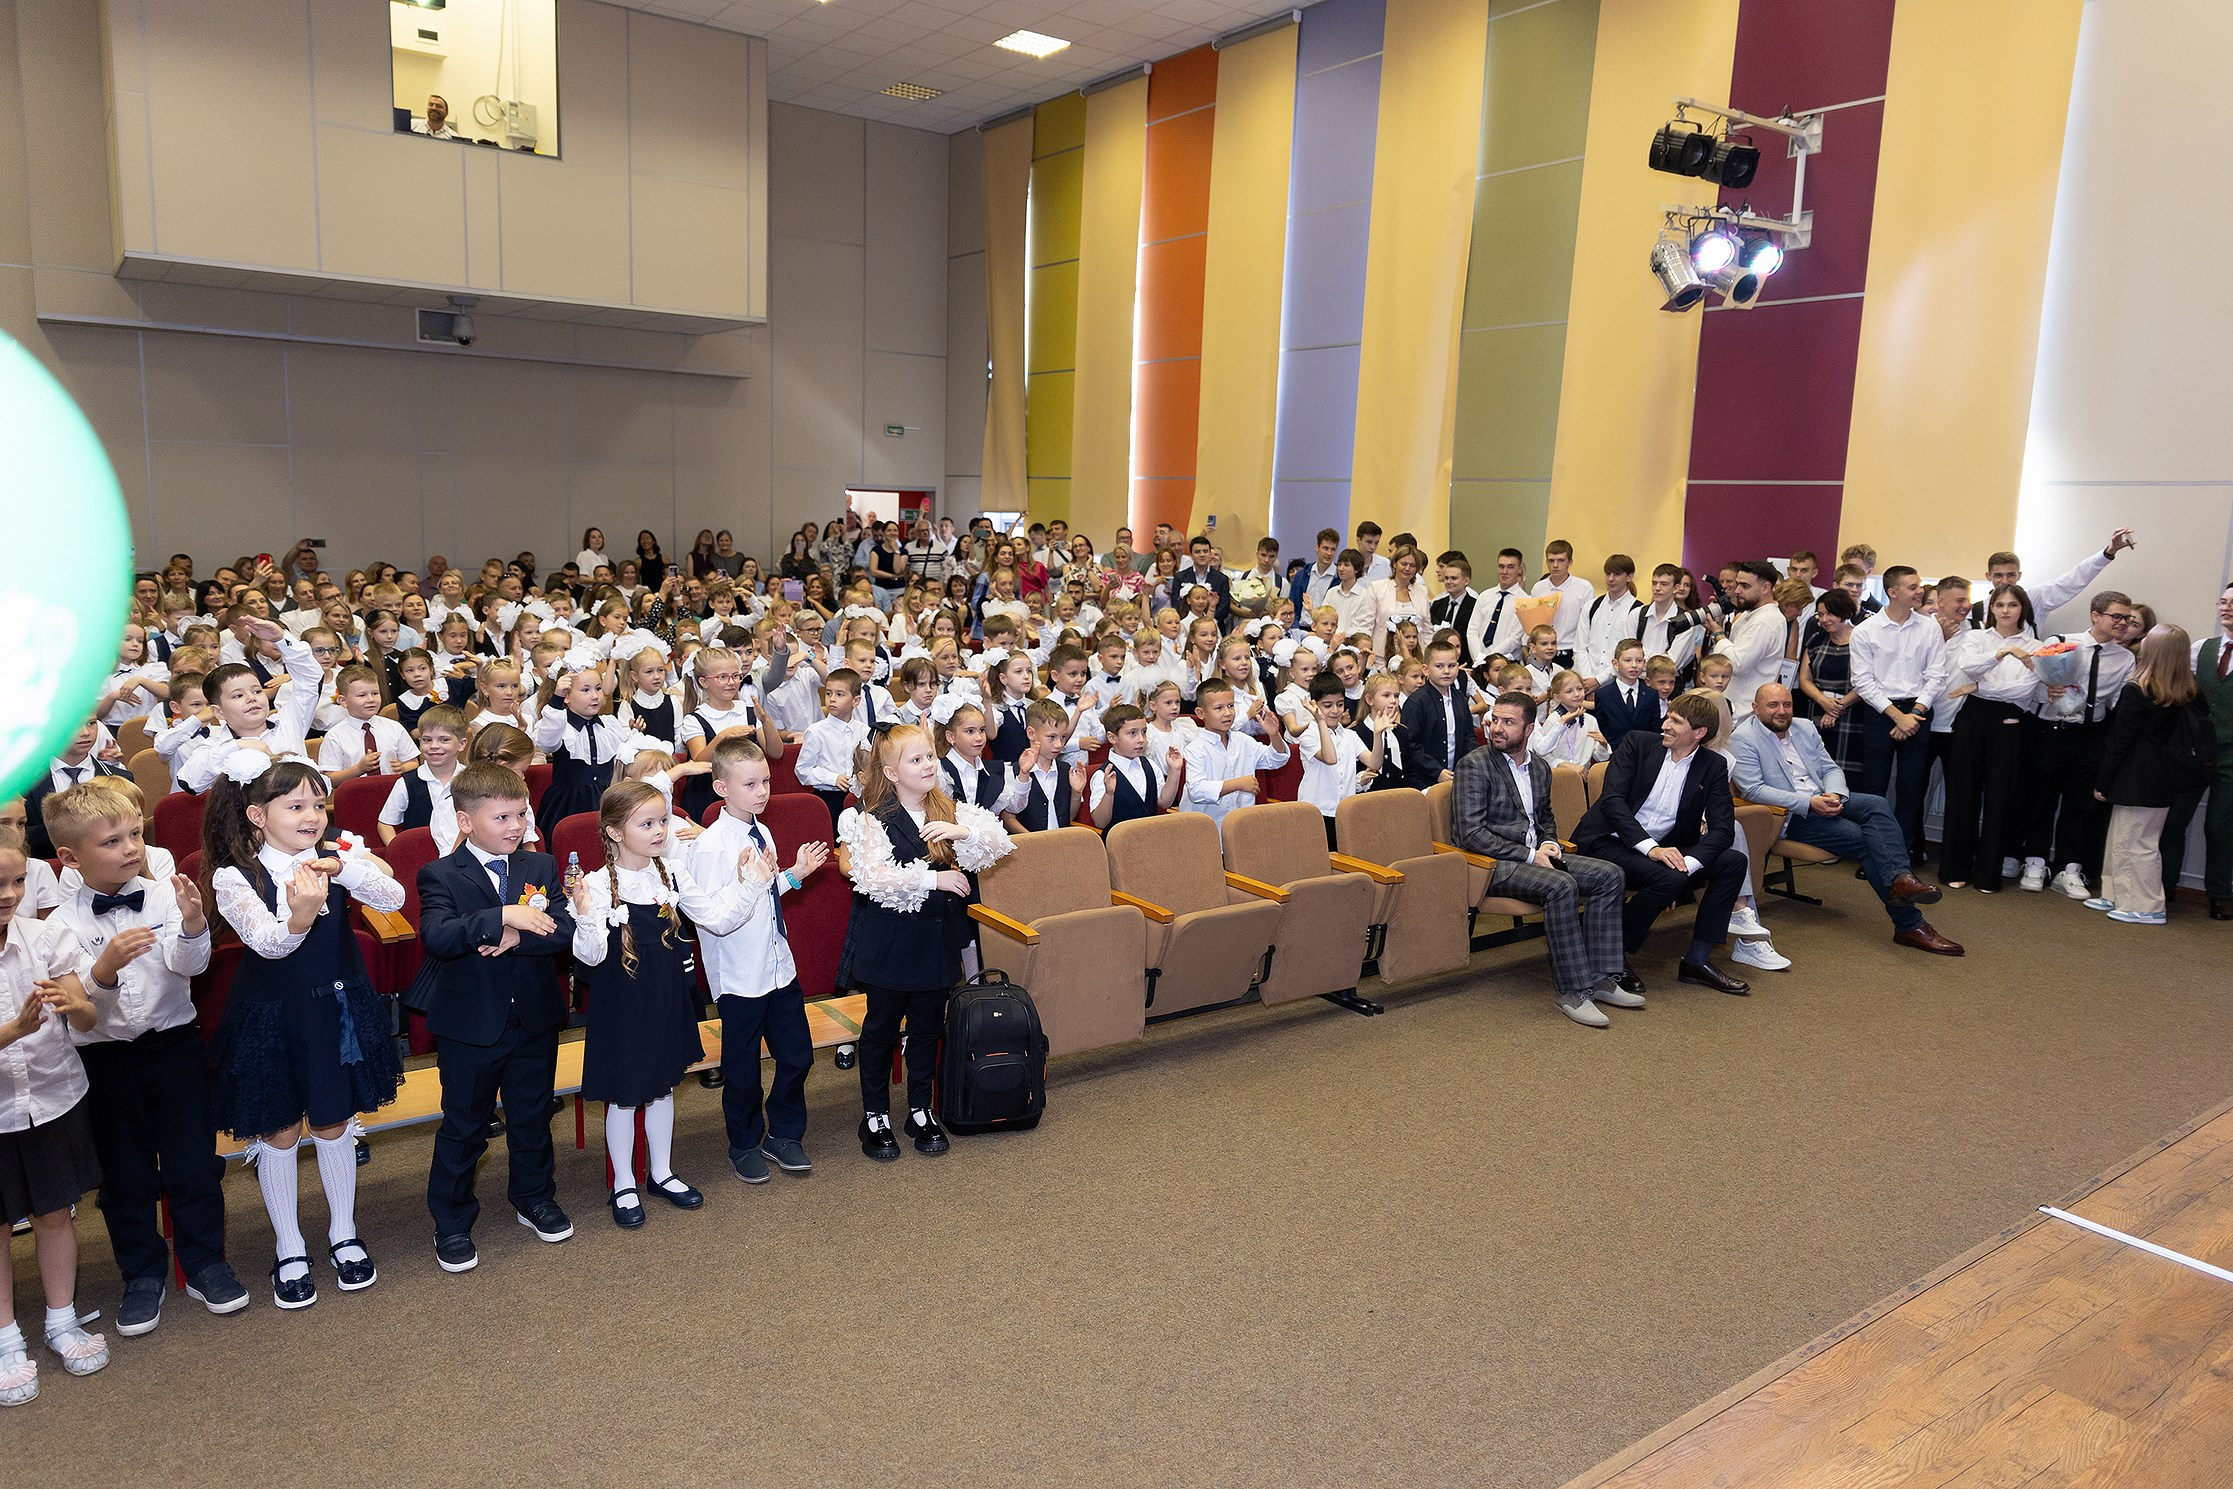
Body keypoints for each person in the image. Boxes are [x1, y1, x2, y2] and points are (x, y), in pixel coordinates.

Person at [202, 755, 405, 1308]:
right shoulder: (235, 875)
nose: (312, 816)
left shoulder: (335, 855)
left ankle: (344, 1232)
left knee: (335, 1119)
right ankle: (289, 1245)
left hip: (334, 1006)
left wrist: (345, 869)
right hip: (274, 1015)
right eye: (295, 806)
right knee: (281, 1128)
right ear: (257, 815)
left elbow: (393, 898)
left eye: (319, 804)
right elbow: (269, 944)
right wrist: (300, 914)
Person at [43, 783, 244, 1334]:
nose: (131, 847)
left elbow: (188, 966)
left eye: (135, 834)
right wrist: (103, 969)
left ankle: (205, 1262)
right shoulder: (59, 927)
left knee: (193, 1161)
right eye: (112, 841)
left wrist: (195, 924)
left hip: (174, 1045)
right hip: (106, 1062)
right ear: (70, 858)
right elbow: (83, 1014)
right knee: (126, 1173)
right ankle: (141, 1273)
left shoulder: (161, 896)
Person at [567, 781, 755, 1226]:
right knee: (625, 1096)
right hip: (623, 1006)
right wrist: (584, 914)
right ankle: (623, 1182)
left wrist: (751, 884)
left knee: (663, 1086)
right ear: (615, 832)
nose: (659, 831)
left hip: (666, 998)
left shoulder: (670, 872)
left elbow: (717, 919)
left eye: (662, 821)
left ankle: (662, 1172)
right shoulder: (596, 884)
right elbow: (589, 957)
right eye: (646, 824)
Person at [417, 762, 577, 1274]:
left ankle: (534, 1197)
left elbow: (564, 929)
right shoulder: (440, 873)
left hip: (533, 1017)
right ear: (465, 821)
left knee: (532, 1116)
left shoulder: (539, 866)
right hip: (470, 1026)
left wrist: (515, 939)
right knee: (465, 1125)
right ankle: (451, 1220)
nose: (515, 826)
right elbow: (439, 936)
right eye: (502, 817)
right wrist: (504, 917)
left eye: (521, 814)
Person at [836, 724, 1012, 1160]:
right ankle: (875, 1114)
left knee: (926, 1029)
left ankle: (919, 1109)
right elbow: (871, 877)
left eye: (930, 756)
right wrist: (935, 879)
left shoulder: (948, 809)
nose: (928, 765)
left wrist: (962, 834)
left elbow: (999, 841)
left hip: (935, 944)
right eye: (916, 760)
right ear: (891, 773)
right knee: (880, 1030)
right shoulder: (870, 818)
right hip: (890, 945)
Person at [0, 825, 110, 1402]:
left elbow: (88, 1018)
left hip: (52, 1096)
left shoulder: (45, 936)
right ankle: (5, 1339)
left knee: (53, 1213)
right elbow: (17, 1030)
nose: (9, 894)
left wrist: (77, 1006)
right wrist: (14, 1030)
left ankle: (61, 1320)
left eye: (17, 881)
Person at [1452, 693, 1639, 1028]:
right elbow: (1471, 834)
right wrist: (1529, 854)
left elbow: (1545, 818)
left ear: (1529, 729)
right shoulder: (1474, 765)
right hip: (1494, 864)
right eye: (1495, 720)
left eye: (1508, 722)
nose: (1497, 728)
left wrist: (1550, 842)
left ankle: (1601, 977)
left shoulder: (1539, 767)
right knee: (1561, 885)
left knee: (1610, 875)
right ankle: (1572, 991)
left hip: (1535, 857)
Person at [690, 738, 830, 1183]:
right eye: (750, 784)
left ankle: (783, 1133)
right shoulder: (711, 847)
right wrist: (750, 884)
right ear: (721, 788)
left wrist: (794, 875)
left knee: (798, 1055)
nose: (762, 791)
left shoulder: (761, 832)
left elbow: (766, 894)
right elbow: (715, 920)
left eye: (766, 781)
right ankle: (744, 1142)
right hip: (739, 975)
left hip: (777, 966)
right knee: (742, 1070)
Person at [1730, 686, 1962, 954]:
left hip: (1824, 797)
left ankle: (1902, 881)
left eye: (1787, 704)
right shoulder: (1743, 738)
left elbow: (1830, 768)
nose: (1782, 711)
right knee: (1869, 842)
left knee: (1876, 803)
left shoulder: (1804, 727)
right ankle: (1910, 923)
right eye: (1773, 705)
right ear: (1756, 708)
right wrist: (1809, 803)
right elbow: (1753, 790)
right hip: (1791, 814)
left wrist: (1834, 794)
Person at [1570, 694, 1752, 995]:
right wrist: (1652, 850)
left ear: (1699, 732)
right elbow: (1612, 802)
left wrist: (1687, 864)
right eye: (1667, 717)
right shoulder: (1637, 744)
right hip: (1608, 840)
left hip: (1664, 850)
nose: (1665, 725)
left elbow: (1722, 829)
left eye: (1675, 721)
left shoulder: (1713, 765)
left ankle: (1697, 961)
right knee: (1670, 878)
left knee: (1733, 862)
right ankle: (1611, 954)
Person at [2024, 590, 2140, 896]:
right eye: (2116, 616)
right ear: (2095, 616)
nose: (2123, 623)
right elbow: (2029, 687)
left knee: (2080, 804)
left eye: (2127, 618)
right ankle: (2034, 861)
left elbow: (2118, 703)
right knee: (2041, 798)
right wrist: (2046, 693)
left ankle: (2069, 868)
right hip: (2051, 731)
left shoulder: (2125, 658)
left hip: (2091, 736)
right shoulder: (2061, 643)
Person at [2091, 626, 2207, 925]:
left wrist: (2103, 780)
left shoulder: (2137, 689)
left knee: (2137, 842)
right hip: (2162, 775)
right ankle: (2116, 893)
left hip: (2135, 774)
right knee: (2124, 836)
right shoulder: (2189, 692)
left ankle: (2147, 905)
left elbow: (2119, 741)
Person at [1940, 585, 2044, 892]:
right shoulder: (1976, 637)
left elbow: (2023, 691)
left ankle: (1988, 874)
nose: (2006, 610)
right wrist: (2004, 652)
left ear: (2023, 609)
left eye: (2013, 605)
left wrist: (1979, 687)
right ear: (1991, 608)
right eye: (2000, 605)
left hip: (2010, 722)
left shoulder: (2035, 645)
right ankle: (1955, 868)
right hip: (1972, 719)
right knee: (1962, 794)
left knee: (2001, 798)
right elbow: (1969, 666)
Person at [1848, 565, 1949, 863]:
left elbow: (1937, 675)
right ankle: (1871, 855)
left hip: (1919, 711)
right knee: (1874, 789)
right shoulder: (1865, 631)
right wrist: (1897, 716)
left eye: (1920, 585)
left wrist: (1914, 714)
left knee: (1911, 788)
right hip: (1881, 712)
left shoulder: (1930, 627)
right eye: (1913, 587)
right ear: (1892, 592)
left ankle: (1900, 857)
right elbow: (1862, 682)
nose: (1921, 591)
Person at [2160, 583, 2233, 920]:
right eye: (2223, 601)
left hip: (2231, 755)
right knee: (2174, 818)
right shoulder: (2201, 648)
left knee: (2219, 825)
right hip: (2194, 750)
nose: (2226, 608)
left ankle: (2219, 894)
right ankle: (2164, 885)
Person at [1179, 678, 1289, 828]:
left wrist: (1274, 735)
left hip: (1240, 826)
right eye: (1219, 708)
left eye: (1230, 706)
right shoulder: (1195, 748)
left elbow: (1276, 760)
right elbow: (1196, 790)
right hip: (1206, 829)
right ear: (1201, 713)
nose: (1227, 713)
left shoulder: (1243, 741)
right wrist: (1238, 784)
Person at [1087, 704, 1184, 829]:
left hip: (1151, 836)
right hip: (1119, 839)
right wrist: (1109, 794)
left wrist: (1174, 770)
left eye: (1144, 732)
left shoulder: (1149, 765)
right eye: (1132, 733)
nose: (1141, 739)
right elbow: (1100, 822)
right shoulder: (1102, 775)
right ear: (1112, 738)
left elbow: (1164, 802)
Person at [1400, 639, 1477, 789]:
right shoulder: (1417, 702)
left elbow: (1469, 737)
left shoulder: (1459, 698)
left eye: (1451, 666)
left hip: (1457, 776)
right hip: (1423, 780)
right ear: (1426, 670)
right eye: (1439, 666)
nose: (1446, 671)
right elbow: (1410, 745)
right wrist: (1436, 771)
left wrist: (1469, 765)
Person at [1530, 540, 1595, 667]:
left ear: (1570, 562)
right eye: (1551, 561)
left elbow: (1587, 625)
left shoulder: (1583, 588)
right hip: (1541, 652)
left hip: (1568, 652)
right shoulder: (1538, 588)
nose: (1555, 565)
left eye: (1561, 560)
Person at [1595, 639, 1663, 752]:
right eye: (1628, 660)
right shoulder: (1603, 695)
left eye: (1639, 660)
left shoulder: (1651, 694)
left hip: (1644, 754)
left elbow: (1655, 730)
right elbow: (1602, 728)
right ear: (1615, 664)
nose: (1634, 665)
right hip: (1614, 754)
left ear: (1644, 663)